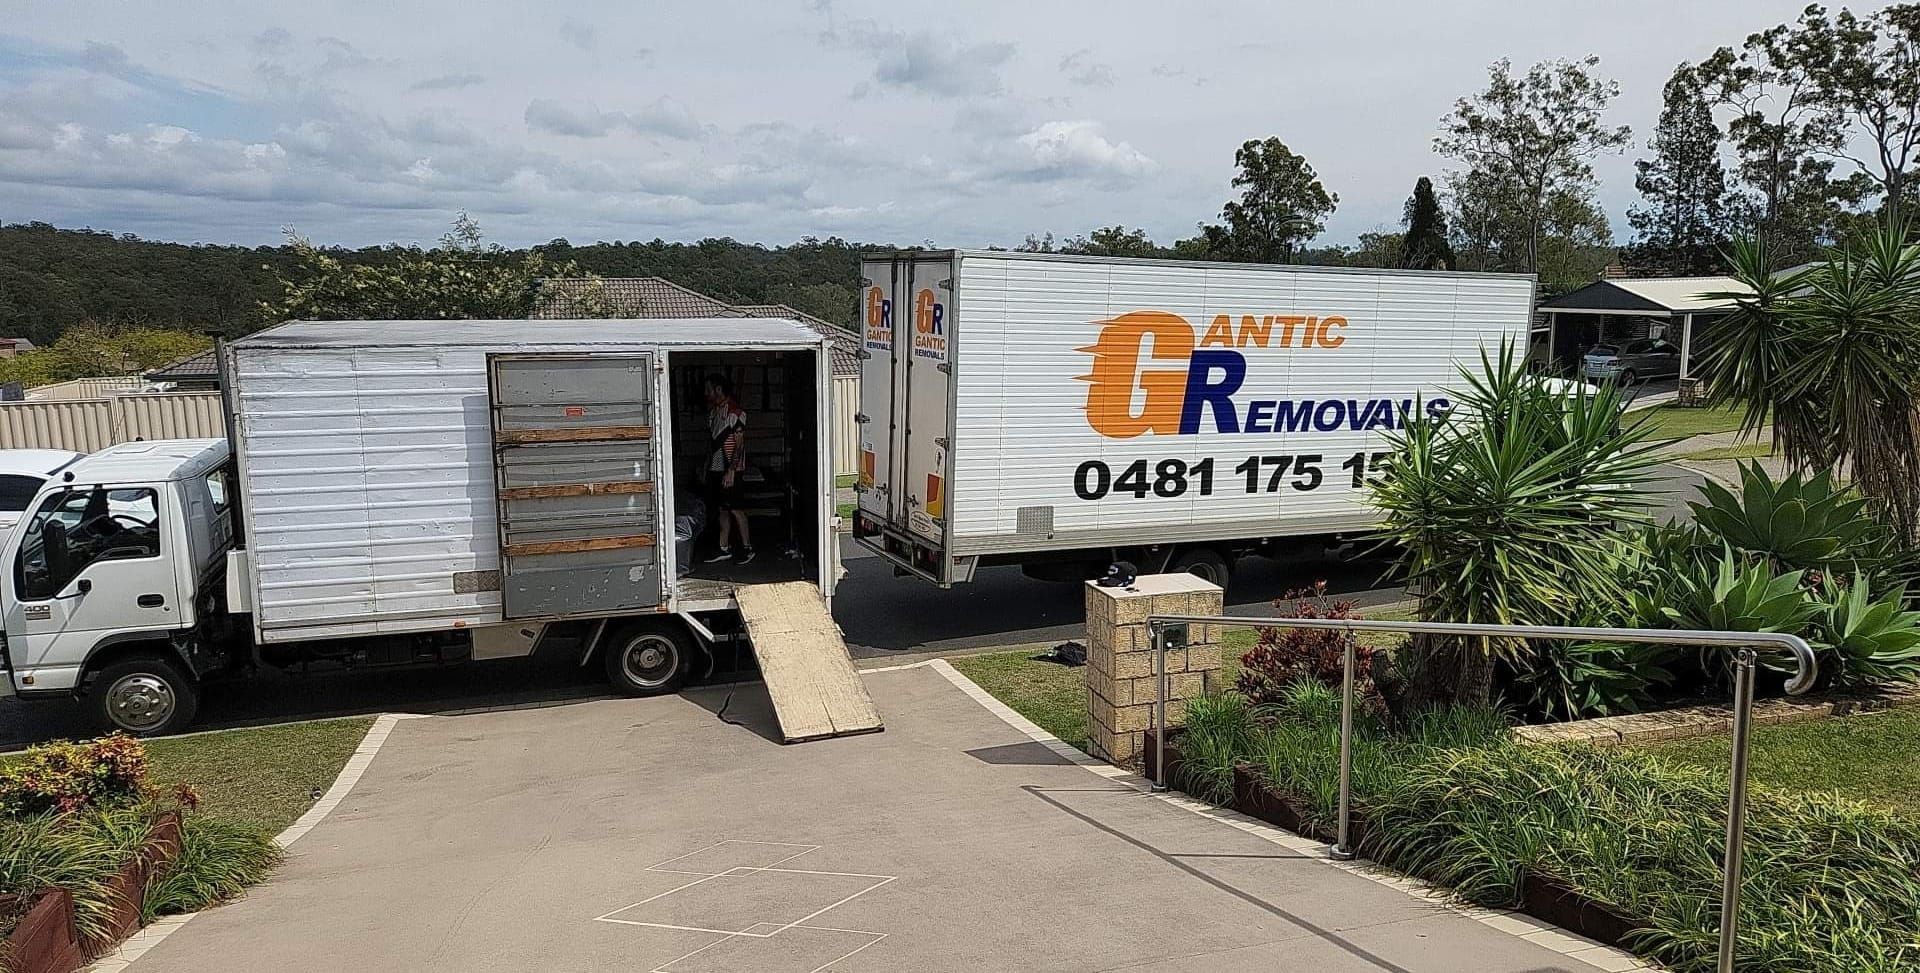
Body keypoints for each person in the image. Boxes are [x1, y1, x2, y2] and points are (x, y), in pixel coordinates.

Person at [702, 373, 754, 564]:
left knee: (736, 508)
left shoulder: (736, 413)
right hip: (716, 469)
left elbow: (739, 446)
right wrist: (706, 467)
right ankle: (723, 547)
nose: (706, 393)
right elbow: (711, 444)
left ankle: (747, 548)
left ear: (718, 389)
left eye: (709, 389)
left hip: (732, 470)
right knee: (722, 508)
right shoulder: (714, 413)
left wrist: (731, 470)